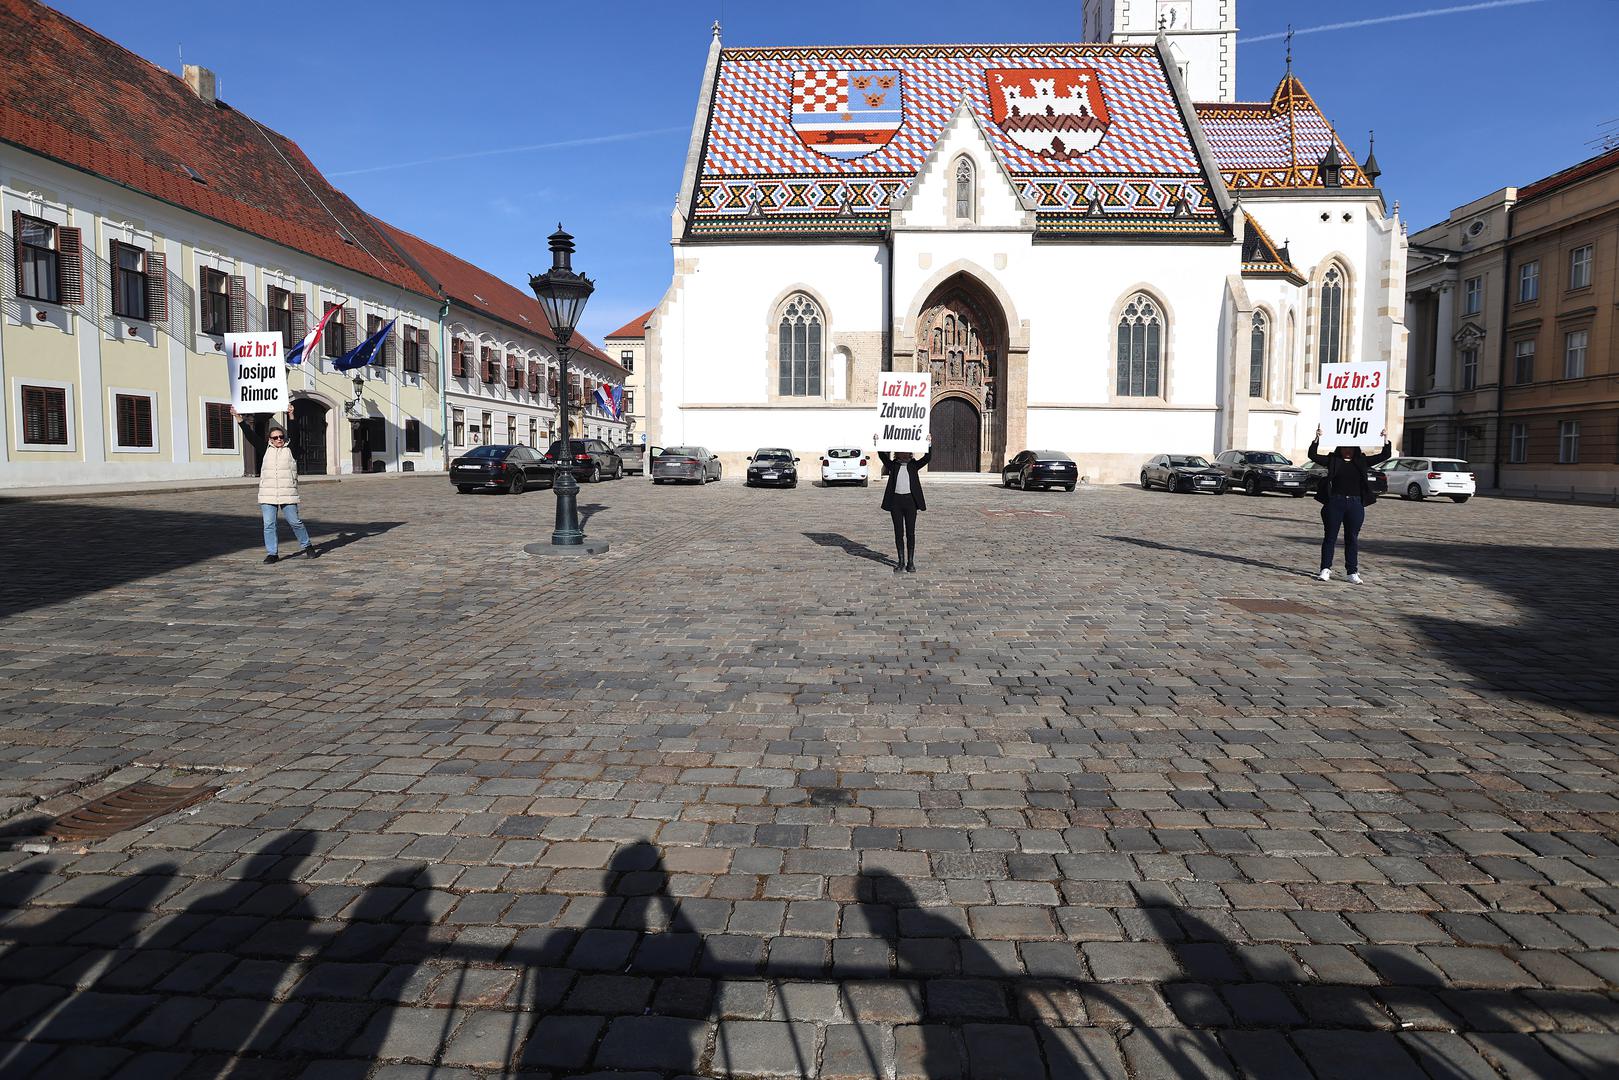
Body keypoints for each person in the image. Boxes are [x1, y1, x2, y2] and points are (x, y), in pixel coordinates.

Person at [1307, 425, 1390, 583]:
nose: (1348, 450)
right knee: (1330, 537)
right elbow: (1312, 455)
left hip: (1355, 503)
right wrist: (1317, 437)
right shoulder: (1333, 460)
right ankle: (1325, 569)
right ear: (1340, 447)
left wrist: (1384, 438)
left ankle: (1352, 571)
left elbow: (1385, 454)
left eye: (1350, 447)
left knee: (1352, 538)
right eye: (1345, 447)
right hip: (1335, 502)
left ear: (1355, 448)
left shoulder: (1361, 461)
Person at [257, 420, 316, 564]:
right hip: (268, 494)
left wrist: (291, 416)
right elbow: (249, 435)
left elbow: (296, 432)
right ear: (270, 439)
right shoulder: (264, 449)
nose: (279, 439)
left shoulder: (291, 449)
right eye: (275, 437)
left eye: (281, 436)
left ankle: (307, 545)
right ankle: (272, 553)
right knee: (269, 525)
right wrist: (239, 419)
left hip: (287, 493)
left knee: (295, 522)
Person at [876, 434, 931, 574]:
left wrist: (929, 443)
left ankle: (910, 562)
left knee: (910, 532)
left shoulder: (914, 465)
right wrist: (878, 441)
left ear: (910, 453)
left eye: (906, 451)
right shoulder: (893, 465)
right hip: (896, 502)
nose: (903, 453)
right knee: (898, 532)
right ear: (897, 453)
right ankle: (901, 562)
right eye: (901, 451)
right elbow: (882, 456)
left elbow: (927, 458)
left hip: (911, 502)